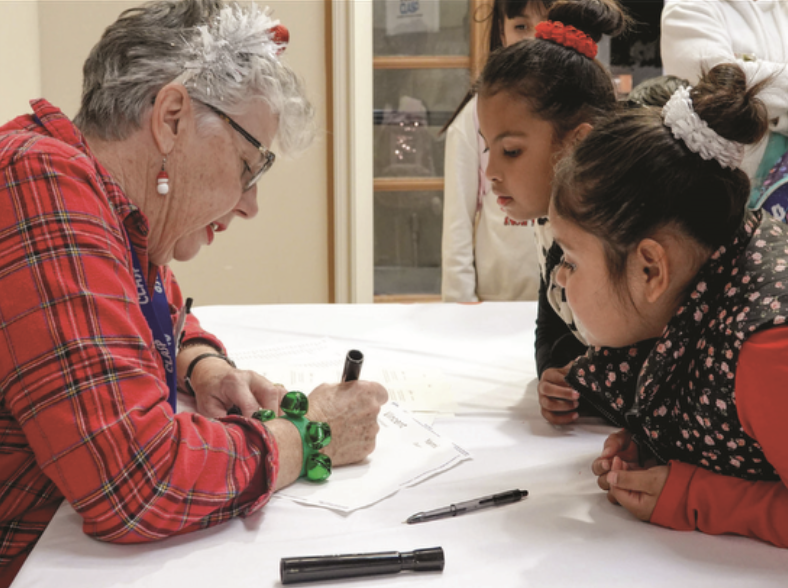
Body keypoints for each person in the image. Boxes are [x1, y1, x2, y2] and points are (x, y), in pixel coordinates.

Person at [0, 1, 388, 585]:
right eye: (249, 165)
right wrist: (309, 436)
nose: (251, 204)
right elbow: (136, 482)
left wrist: (201, 364)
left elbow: (156, 308)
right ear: (173, 118)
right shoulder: (37, 187)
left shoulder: (104, 206)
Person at [549, 62, 788, 546]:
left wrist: (697, 495)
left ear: (650, 270)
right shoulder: (709, 279)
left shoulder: (767, 352)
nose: (559, 275)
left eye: (571, 259)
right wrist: (666, 447)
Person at [473, 0, 630, 424]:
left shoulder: (624, 233)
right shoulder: (551, 218)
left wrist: (586, 384)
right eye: (489, 149)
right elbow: (554, 323)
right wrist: (555, 375)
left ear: (575, 144)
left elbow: (652, 364)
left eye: (511, 151)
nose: (491, 173)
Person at [440, 0, 550, 303]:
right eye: (521, 26)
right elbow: (457, 222)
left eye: (546, 24)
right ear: (501, 34)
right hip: (497, 299)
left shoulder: (575, 111)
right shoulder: (473, 117)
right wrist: (459, 301)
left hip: (570, 305)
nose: (534, 38)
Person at [661, 0, 788, 221]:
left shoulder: (781, 8)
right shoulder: (687, 7)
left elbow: (742, 85)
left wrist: (757, 78)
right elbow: (719, 86)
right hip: (716, 186)